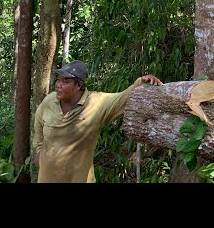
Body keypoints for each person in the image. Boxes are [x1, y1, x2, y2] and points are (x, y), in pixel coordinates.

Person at [32, 60, 163, 183]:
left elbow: (123, 98)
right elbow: (38, 127)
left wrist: (142, 82)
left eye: (65, 81)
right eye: (59, 80)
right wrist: (39, 153)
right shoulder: (48, 102)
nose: (58, 84)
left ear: (78, 85)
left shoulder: (96, 103)